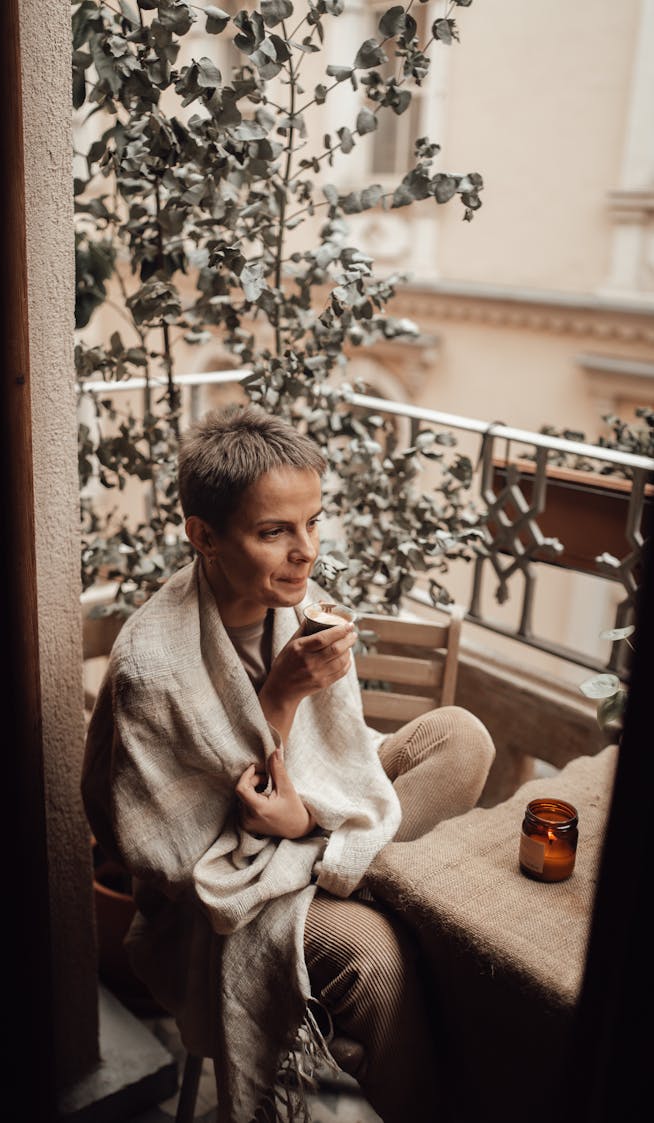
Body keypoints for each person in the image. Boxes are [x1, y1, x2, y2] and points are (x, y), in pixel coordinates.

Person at [81, 402, 495, 1123]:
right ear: (203, 535)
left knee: (461, 737)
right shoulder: (151, 666)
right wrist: (278, 697)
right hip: (230, 897)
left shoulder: (305, 610)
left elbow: (340, 761)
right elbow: (181, 863)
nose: (306, 551)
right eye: (275, 531)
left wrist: (307, 817)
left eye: (312, 522)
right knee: (377, 957)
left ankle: (361, 868)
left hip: (301, 821)